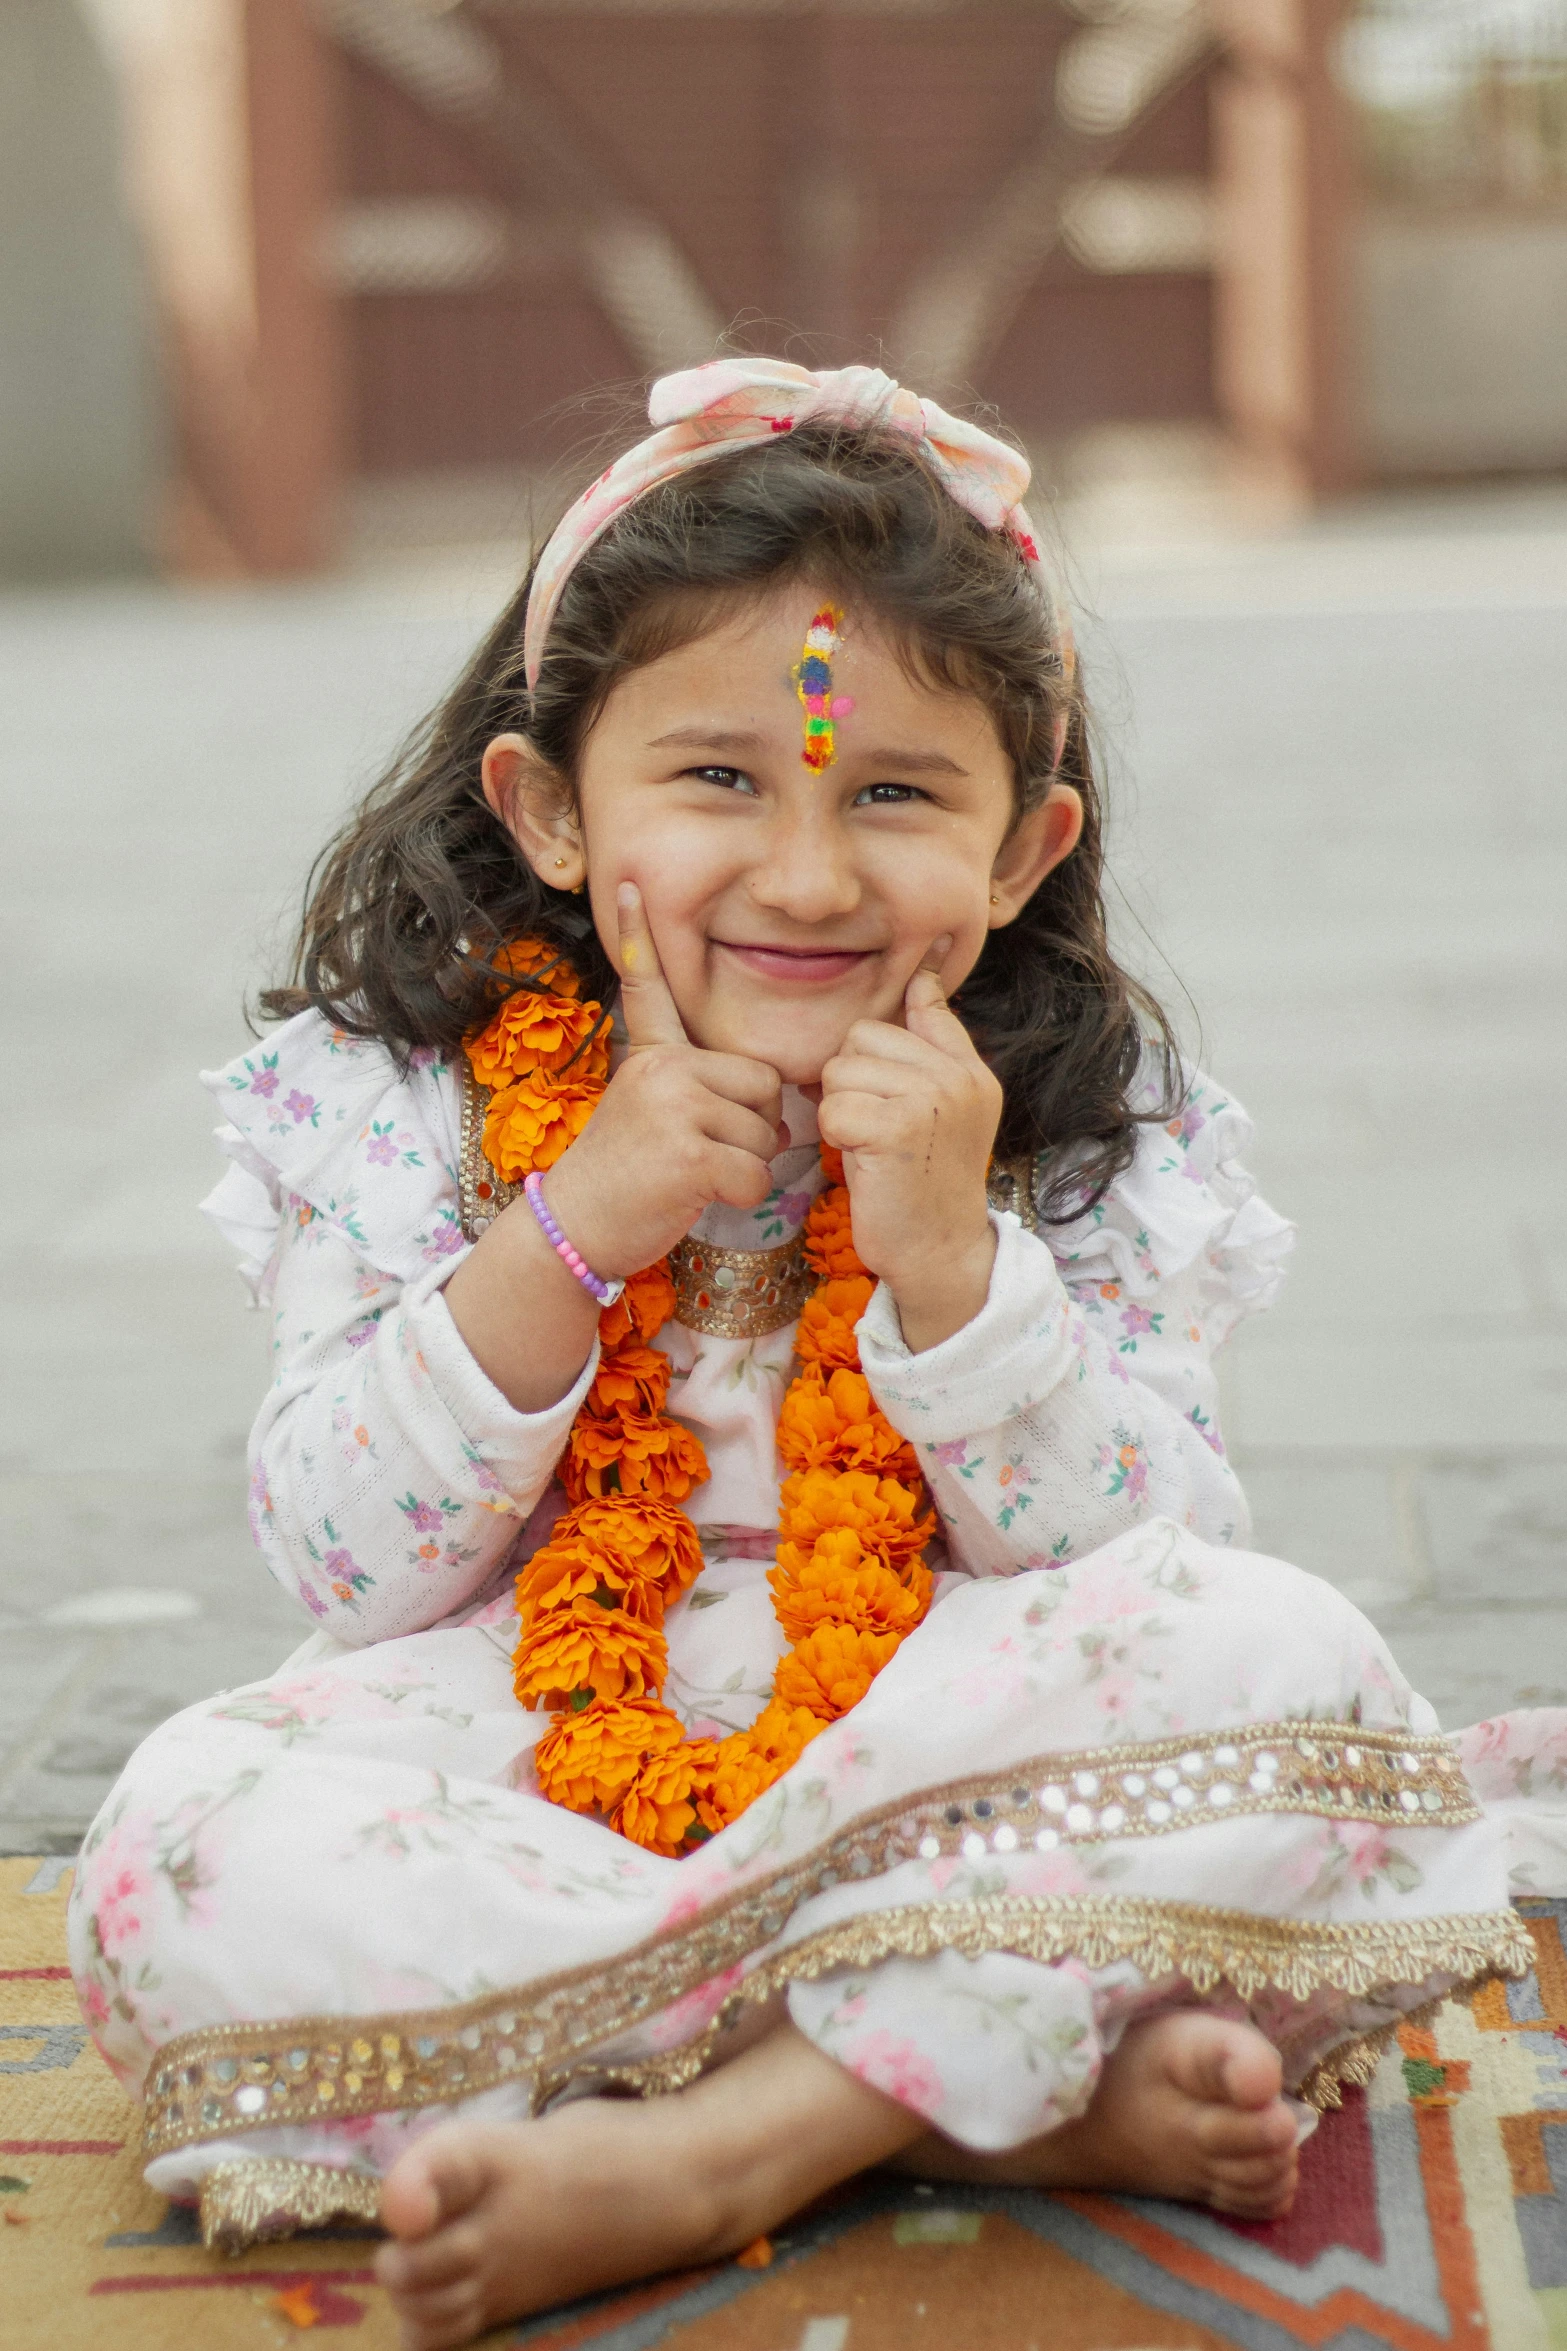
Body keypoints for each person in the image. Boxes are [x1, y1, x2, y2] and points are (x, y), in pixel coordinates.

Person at [69, 361, 1562, 2351]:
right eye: (716, 779)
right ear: (543, 804)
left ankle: (713, 2143)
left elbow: (1145, 1555)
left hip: (940, 1728)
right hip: (520, 1742)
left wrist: (952, 1255)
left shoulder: (1076, 1122)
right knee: (183, 1837)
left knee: (1277, 1653)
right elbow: (348, 1566)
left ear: (1025, 847)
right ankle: (972, 2075)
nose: (803, 873)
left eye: (891, 790)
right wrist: (575, 1222)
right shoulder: (400, 1107)